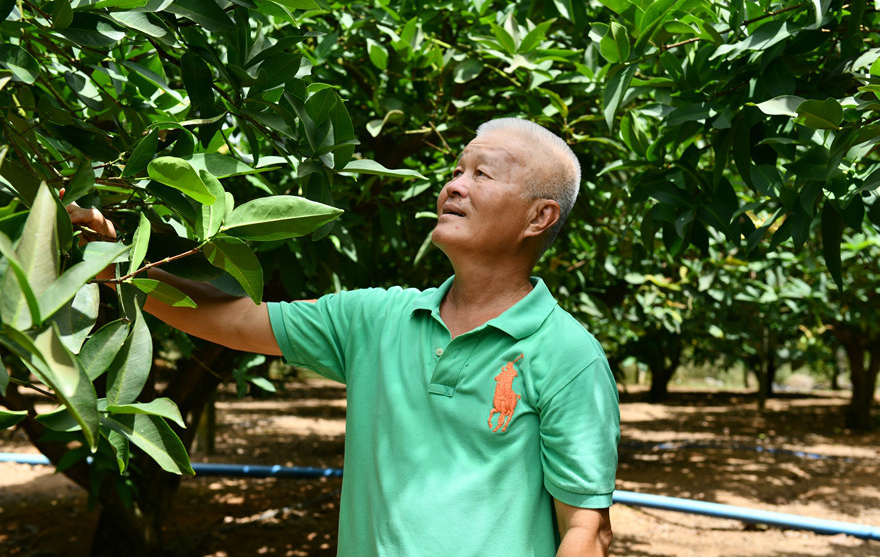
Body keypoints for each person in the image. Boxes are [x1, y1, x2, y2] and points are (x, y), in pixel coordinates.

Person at [69, 117, 621, 556]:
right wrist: (120, 266)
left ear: (538, 217)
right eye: (456, 170)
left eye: (483, 174)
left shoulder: (568, 356)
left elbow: (584, 529)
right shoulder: (376, 319)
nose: (454, 184)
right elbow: (233, 319)